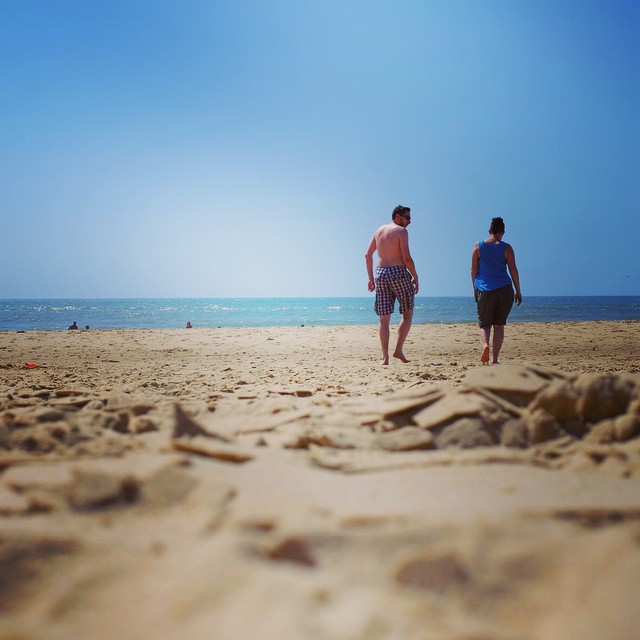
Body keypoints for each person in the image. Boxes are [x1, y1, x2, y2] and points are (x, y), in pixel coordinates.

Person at [365, 204, 419, 365]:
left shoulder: (379, 230)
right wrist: (415, 276)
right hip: (398, 272)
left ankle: (385, 358)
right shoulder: (401, 231)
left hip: (380, 273)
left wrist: (370, 278)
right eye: (407, 217)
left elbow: (368, 255)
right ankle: (398, 350)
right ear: (397, 216)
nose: (409, 221)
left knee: (384, 319)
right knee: (407, 313)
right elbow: (407, 258)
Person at [471, 216, 522, 365]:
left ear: (489, 231)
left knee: (484, 324)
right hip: (504, 289)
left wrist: (474, 287)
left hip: (485, 289)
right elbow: (513, 270)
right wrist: (518, 291)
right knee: (499, 326)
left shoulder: (478, 246)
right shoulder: (507, 248)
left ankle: (485, 345)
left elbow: (473, 270)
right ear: (503, 232)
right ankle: (495, 359)